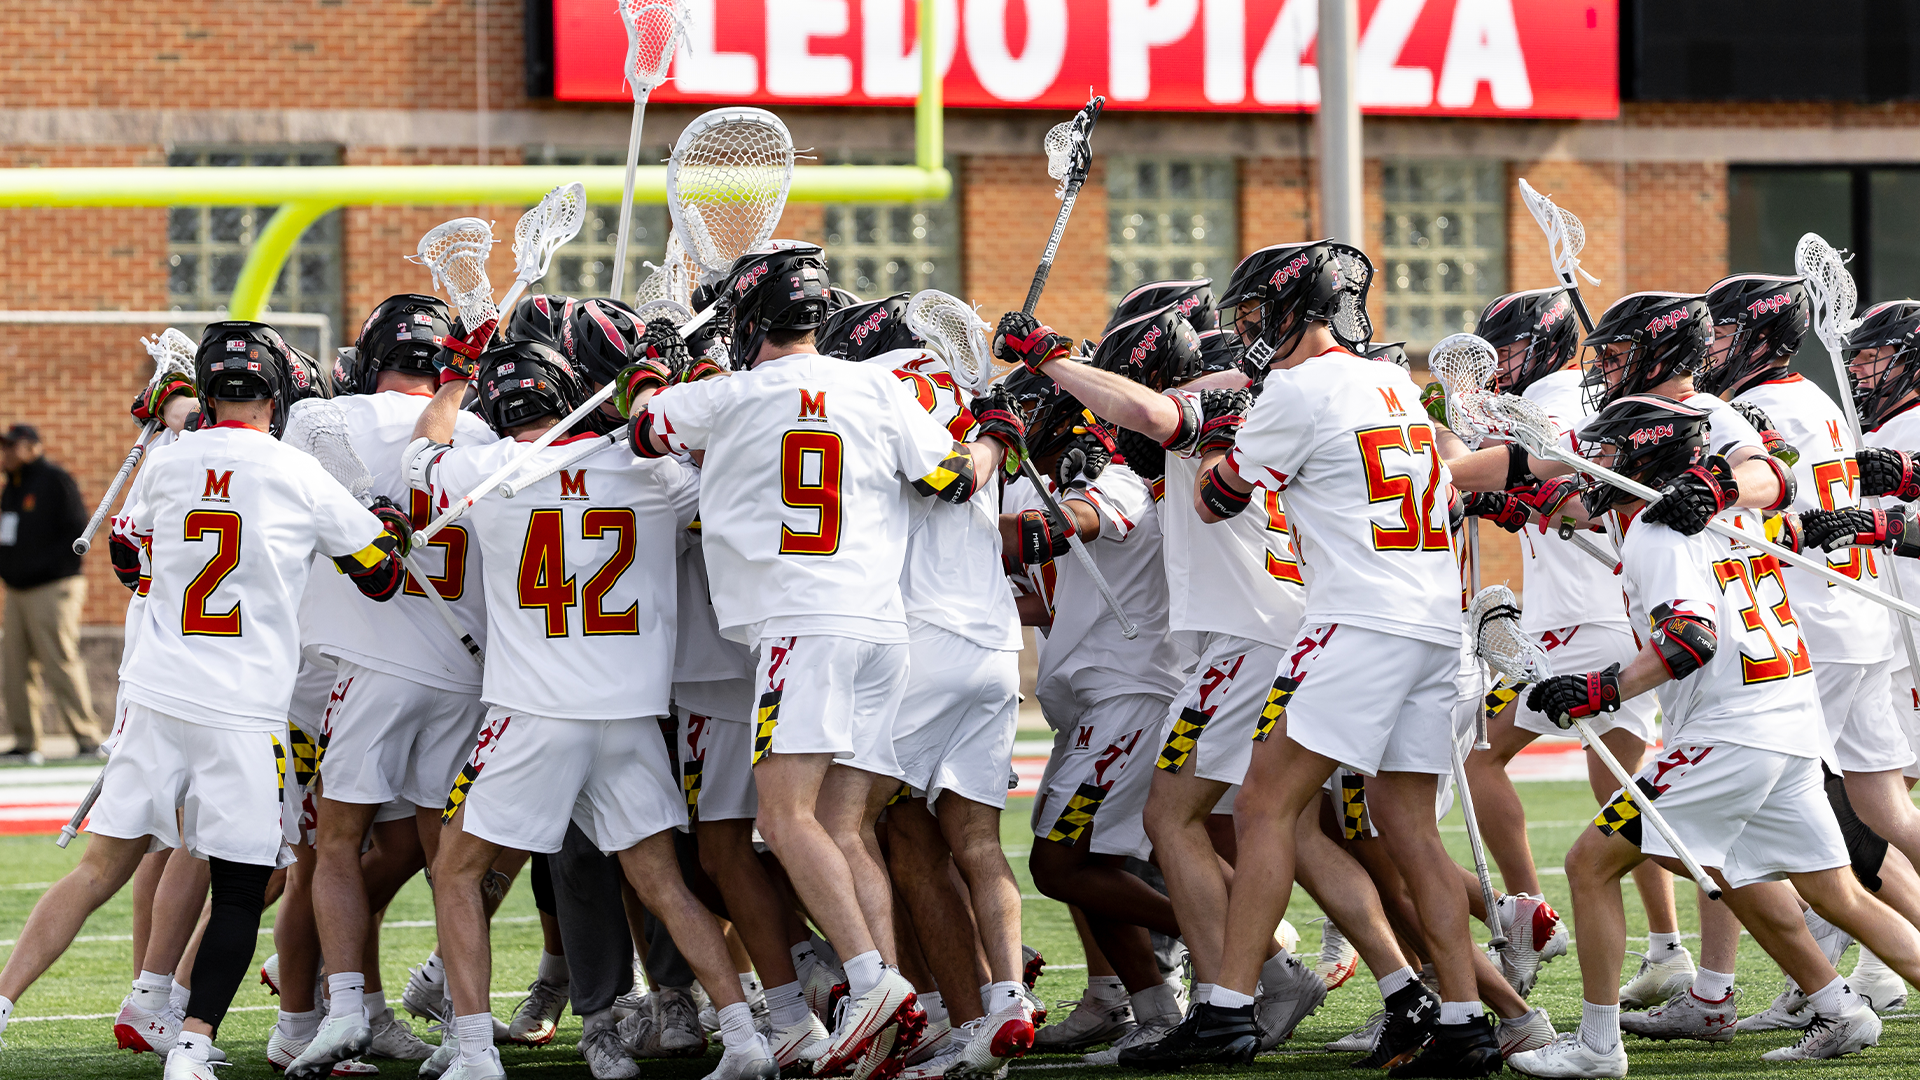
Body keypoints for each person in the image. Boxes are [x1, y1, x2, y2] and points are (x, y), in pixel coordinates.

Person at [624, 242, 1017, 1080]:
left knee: (782, 818)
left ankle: (871, 982)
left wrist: (652, 361)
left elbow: (646, 425)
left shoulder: (726, 395)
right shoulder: (874, 385)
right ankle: (891, 991)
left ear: (753, 320)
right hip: (883, 629)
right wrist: (994, 441)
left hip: (800, 625)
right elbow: (953, 477)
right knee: (843, 825)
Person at [0, 321, 412, 1079]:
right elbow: (380, 576)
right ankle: (189, 1045)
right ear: (274, 392)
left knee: (99, 868)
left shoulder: (169, 458)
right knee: (239, 886)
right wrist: (387, 526)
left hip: (158, 693)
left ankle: (4, 1001)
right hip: (243, 707)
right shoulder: (295, 471)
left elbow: (127, 555)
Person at [1509, 394, 1920, 1076]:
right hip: (1788, 722)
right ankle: (1840, 1008)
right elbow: (1772, 488)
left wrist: (1597, 689)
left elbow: (1689, 640)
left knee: (1589, 864)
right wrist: (1523, 496)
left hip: (1732, 732)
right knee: (1832, 893)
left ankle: (1597, 1047)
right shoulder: (1721, 512)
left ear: (1644, 454)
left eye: (1607, 454)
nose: (1593, 467)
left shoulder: (1656, 533)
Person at [405, 335, 774, 1080]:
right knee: (663, 883)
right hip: (630, 712)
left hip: (532, 710)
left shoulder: (486, 471)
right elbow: (711, 468)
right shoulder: (645, 470)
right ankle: (743, 1036)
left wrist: (452, 379)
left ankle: (475, 1052)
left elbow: (420, 453)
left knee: (455, 872)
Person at [0, 422, 105, 763]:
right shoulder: (12, 488)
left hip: (54, 587)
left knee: (59, 660)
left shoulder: (54, 480)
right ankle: (26, 742)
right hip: (17, 591)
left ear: (32, 447)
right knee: (15, 667)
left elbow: (77, 531)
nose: (6, 454)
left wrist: (42, 567)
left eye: (11, 446)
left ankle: (87, 737)